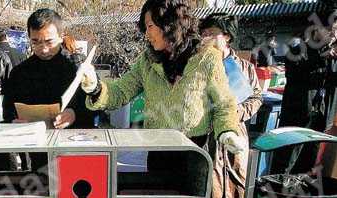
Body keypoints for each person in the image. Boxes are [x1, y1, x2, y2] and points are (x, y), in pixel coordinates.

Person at [81, 0, 244, 155]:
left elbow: (224, 102)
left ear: (169, 24)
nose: (147, 34)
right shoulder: (148, 60)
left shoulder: (206, 57)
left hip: (195, 152)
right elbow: (121, 91)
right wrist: (95, 88)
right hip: (157, 150)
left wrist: (227, 131)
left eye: (150, 26)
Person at [200, 13, 262, 198]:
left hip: (236, 135)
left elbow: (256, 97)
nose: (205, 38)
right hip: (209, 136)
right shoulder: (200, 65)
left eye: (211, 33)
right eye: (203, 34)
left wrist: (237, 113)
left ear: (226, 35)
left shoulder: (244, 67)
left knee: (237, 182)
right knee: (211, 185)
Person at [2, 8, 95, 129]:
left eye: (49, 42)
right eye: (35, 42)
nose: (44, 49)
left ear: (61, 36)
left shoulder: (77, 66)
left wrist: (75, 114)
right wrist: (13, 121)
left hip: (73, 140)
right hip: (33, 142)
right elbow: (8, 110)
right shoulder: (20, 73)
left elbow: (98, 103)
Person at [272, 22, 337, 174]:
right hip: (297, 116)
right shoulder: (298, 50)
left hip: (321, 117)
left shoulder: (335, 55)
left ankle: (299, 191)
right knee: (286, 159)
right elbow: (295, 72)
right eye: (330, 29)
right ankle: (276, 192)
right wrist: (322, 57)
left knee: (309, 159)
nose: (334, 34)